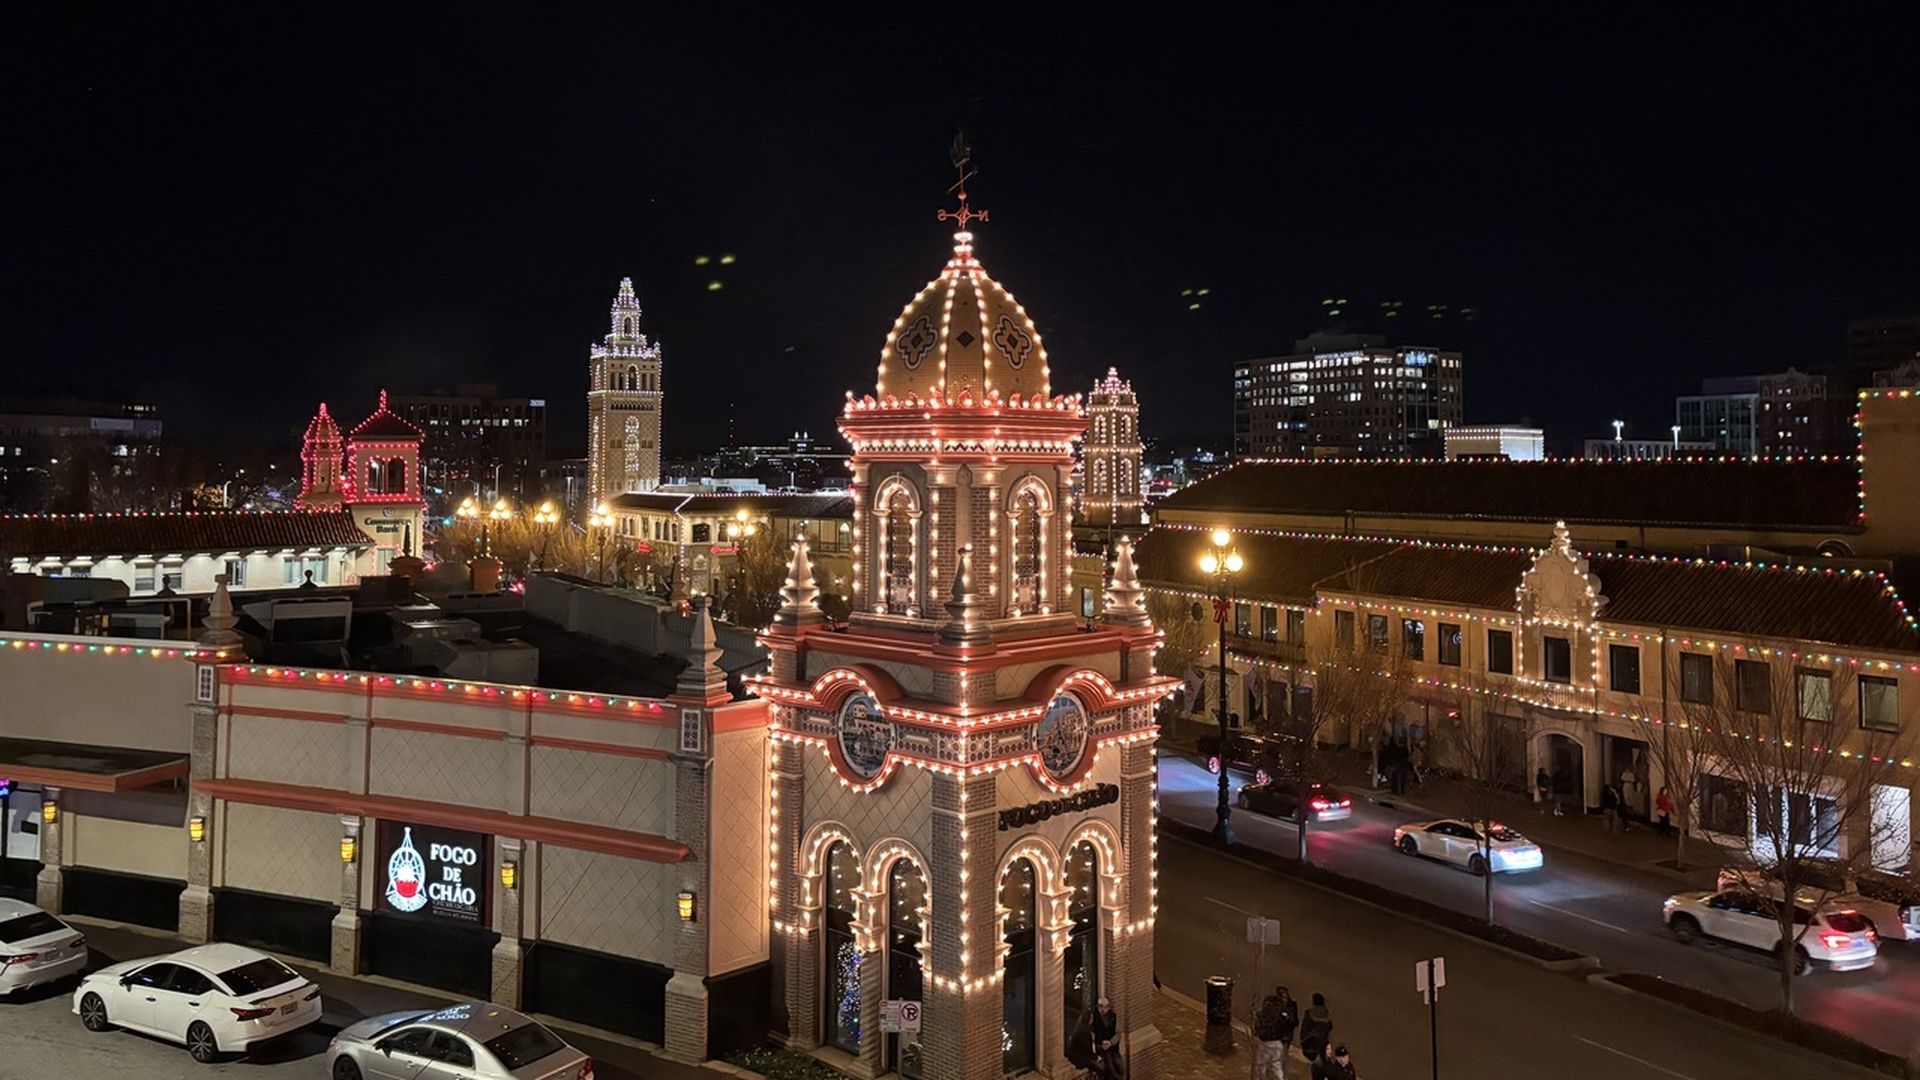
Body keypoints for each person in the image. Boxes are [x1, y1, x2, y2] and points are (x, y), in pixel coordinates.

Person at [1253, 985, 1298, 1080]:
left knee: (1262, 1064)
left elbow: (1257, 1028)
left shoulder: (1265, 1014)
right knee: (1275, 1065)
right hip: (1278, 1041)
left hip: (1269, 1042)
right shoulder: (1279, 1013)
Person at [1091, 998, 1126, 1079]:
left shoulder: (1113, 1017)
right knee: (1109, 1065)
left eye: (1105, 1007)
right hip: (1100, 1047)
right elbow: (1091, 1033)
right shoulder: (1093, 1017)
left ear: (1109, 1007)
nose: (1103, 1009)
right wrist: (1100, 1043)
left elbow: (1118, 1033)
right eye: (1100, 1007)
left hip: (1112, 1047)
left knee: (1120, 1066)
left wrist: (1110, 1042)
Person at [1299, 992, 1333, 1063]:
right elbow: (1329, 1032)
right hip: (1322, 1047)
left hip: (1310, 1047)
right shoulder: (1327, 1015)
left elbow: (1304, 1031)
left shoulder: (1309, 1014)